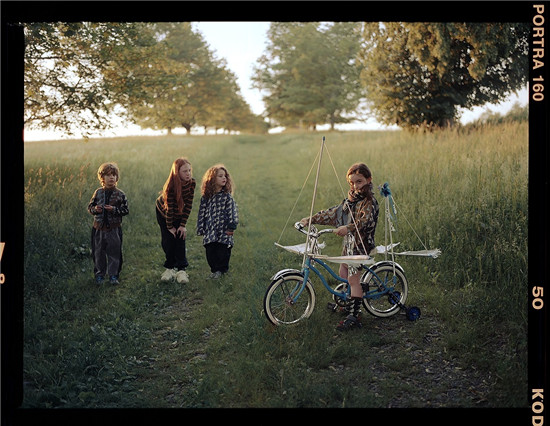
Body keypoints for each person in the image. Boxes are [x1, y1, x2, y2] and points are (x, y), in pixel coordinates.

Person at [300, 162, 379, 331]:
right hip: (349, 244)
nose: (355, 186)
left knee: (353, 279)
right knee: (343, 272)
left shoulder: (369, 202)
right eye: (352, 182)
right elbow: (333, 214)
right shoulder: (351, 200)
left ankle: (355, 315)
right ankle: (349, 301)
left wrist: (347, 228)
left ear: (368, 179)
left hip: (362, 245)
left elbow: (364, 221)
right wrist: (311, 219)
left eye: (359, 181)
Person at [87, 162, 129, 285]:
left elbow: (125, 210)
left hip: (114, 229)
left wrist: (114, 210)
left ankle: (113, 276)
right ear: (102, 178)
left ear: (117, 177)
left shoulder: (121, 194)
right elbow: (90, 207)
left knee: (114, 252)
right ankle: (100, 275)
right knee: (98, 253)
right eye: (108, 175)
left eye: (114, 175)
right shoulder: (98, 192)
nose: (111, 177)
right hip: (98, 229)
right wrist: (95, 209)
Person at [156, 158, 196, 283]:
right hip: (164, 212)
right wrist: (170, 227)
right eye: (184, 171)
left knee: (180, 237)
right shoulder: (171, 187)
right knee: (168, 240)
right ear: (177, 173)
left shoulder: (192, 183)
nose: (188, 173)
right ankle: (169, 268)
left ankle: (181, 270)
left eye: (189, 170)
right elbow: (170, 209)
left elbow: (188, 205)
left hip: (178, 212)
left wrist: (182, 225)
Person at [196, 164, 239, 280]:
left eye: (225, 176)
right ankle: (214, 271)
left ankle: (221, 271)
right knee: (210, 251)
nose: (224, 178)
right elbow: (201, 213)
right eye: (220, 176)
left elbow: (232, 212)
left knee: (223, 251)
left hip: (224, 230)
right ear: (212, 179)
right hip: (210, 230)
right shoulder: (206, 198)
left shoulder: (227, 197)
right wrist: (201, 227)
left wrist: (231, 226)